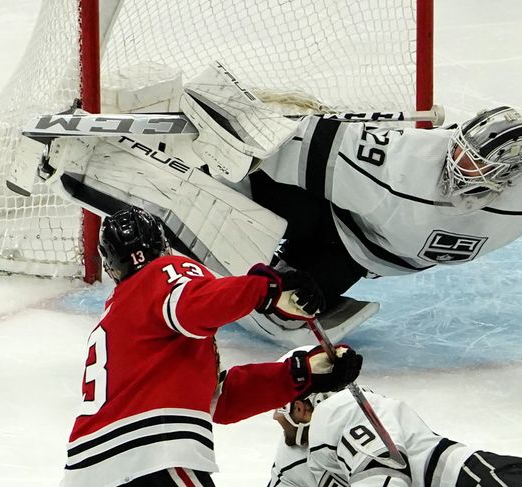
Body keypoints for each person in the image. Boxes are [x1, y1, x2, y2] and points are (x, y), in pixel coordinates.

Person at [249, 106, 522, 307]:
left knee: (287, 305)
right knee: (256, 178)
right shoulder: (406, 157)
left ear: (506, 172)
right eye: (459, 151)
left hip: (358, 255)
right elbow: (297, 141)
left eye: (474, 162)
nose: (457, 165)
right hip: (328, 210)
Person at [61, 206, 363, 487]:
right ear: (163, 248)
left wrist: (299, 374)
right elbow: (194, 306)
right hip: (148, 455)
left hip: (89, 472)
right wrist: (266, 289)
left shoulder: (120, 320)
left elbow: (218, 401)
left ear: (111, 267)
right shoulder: (164, 273)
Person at [269, 389, 522, 487]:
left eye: (278, 407)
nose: (275, 417)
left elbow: (386, 479)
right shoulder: (290, 461)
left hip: (483, 481)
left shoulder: (342, 410)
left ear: (300, 406)